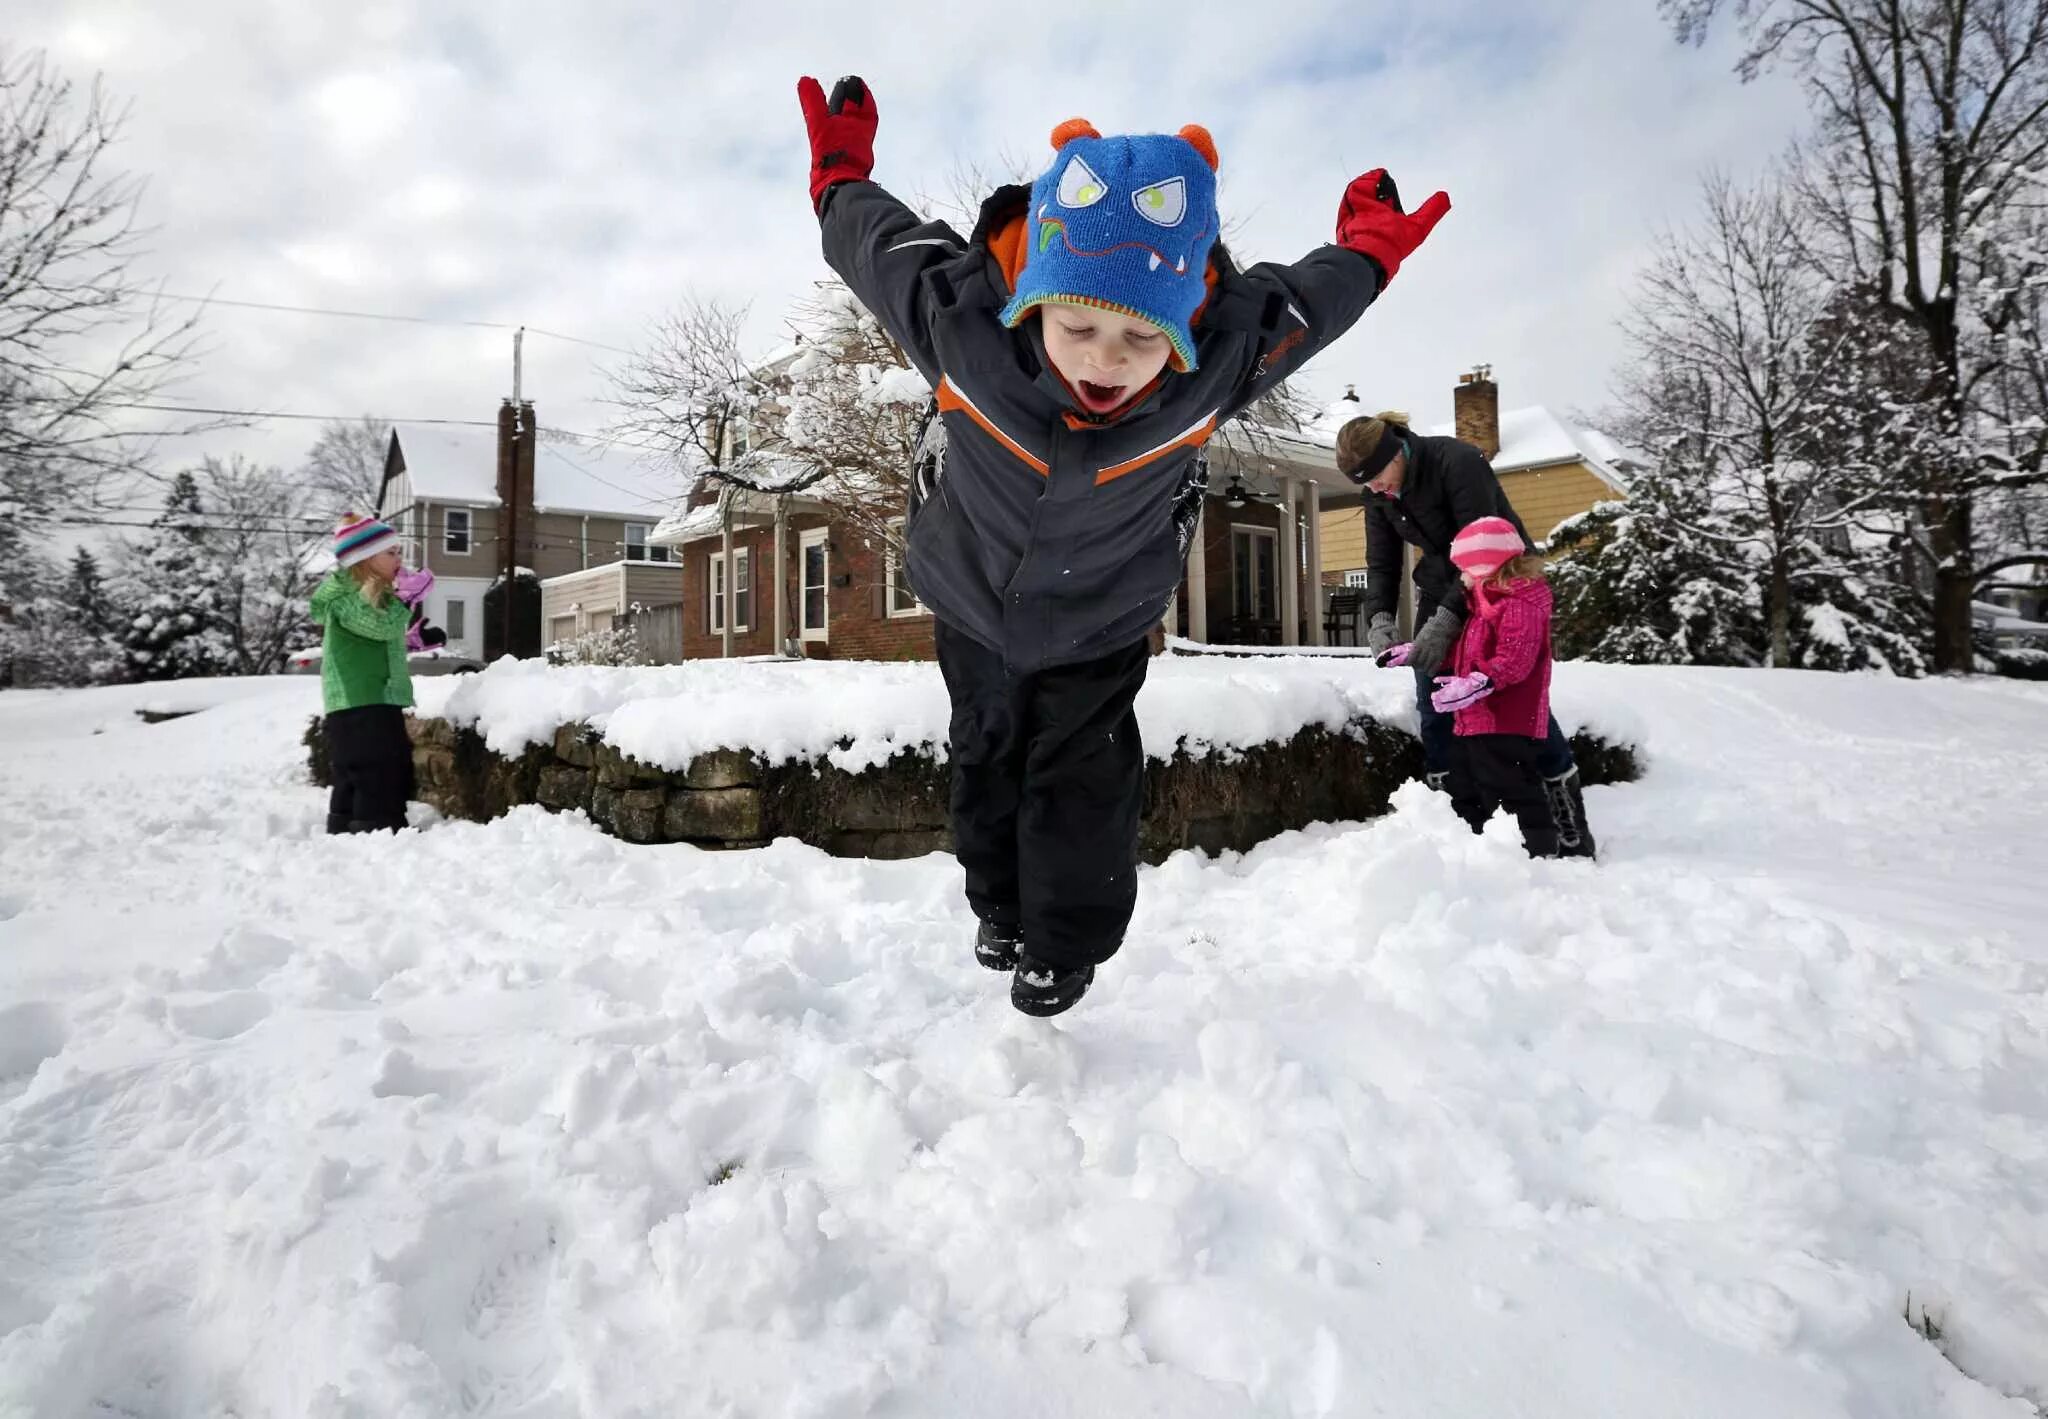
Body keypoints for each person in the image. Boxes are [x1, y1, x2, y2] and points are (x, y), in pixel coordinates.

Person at [798, 74, 1450, 1014]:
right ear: (1033, 298)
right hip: (972, 598)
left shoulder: (1216, 363)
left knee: (1083, 775)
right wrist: (838, 175)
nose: (1106, 359)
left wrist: (1371, 253)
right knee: (986, 755)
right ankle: (997, 903)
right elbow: (879, 245)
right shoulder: (960, 322)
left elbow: (1307, 308)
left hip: (1100, 614)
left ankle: (1064, 944)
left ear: (1184, 324)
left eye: (1141, 338)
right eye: (1080, 327)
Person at [1336, 411, 1595, 857]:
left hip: (1501, 580)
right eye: (1367, 484)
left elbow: (1479, 543)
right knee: (1432, 693)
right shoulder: (1379, 493)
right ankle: (1456, 813)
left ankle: (1564, 814)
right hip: (1442, 585)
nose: (1375, 489)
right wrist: (1379, 618)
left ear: (1397, 452)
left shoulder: (1456, 462)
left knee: (1517, 699)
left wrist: (1444, 624)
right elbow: (1382, 563)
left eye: (1378, 477)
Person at [1427, 517, 1573, 857]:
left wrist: (1479, 682)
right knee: (1465, 785)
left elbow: (1515, 659)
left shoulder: (1520, 603)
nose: (1461, 577)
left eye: (1464, 569)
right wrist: (1417, 652)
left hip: (1506, 717)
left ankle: (1536, 853)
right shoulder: (1484, 603)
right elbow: (1468, 649)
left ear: (1485, 565)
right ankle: (1477, 850)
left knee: (1509, 788)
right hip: (1475, 717)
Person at [309, 515, 416, 835]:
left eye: (399, 552)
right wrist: (406, 600)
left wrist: (416, 637)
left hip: (372, 694)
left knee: (355, 766)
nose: (399, 559)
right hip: (361, 697)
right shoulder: (347, 596)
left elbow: (380, 637)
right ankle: (378, 825)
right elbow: (381, 626)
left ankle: (344, 822)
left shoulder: (368, 595)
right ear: (364, 560)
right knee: (378, 764)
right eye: (391, 553)